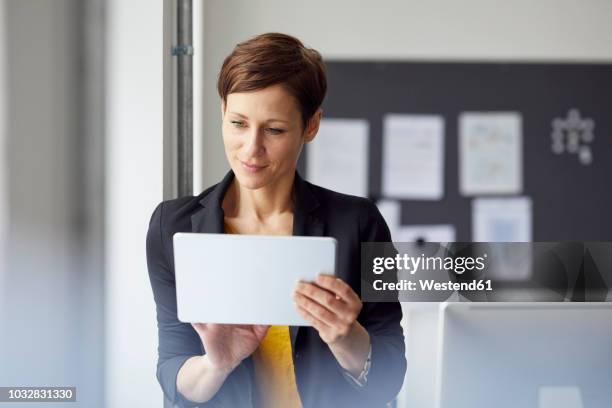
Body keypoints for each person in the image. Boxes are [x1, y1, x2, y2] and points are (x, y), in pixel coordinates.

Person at [146, 32, 406, 408]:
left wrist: (345, 337)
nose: (251, 148)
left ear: (311, 125)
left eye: (274, 130)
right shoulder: (172, 226)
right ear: (222, 112)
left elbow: (390, 376)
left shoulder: (361, 224)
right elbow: (172, 368)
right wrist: (216, 364)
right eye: (237, 123)